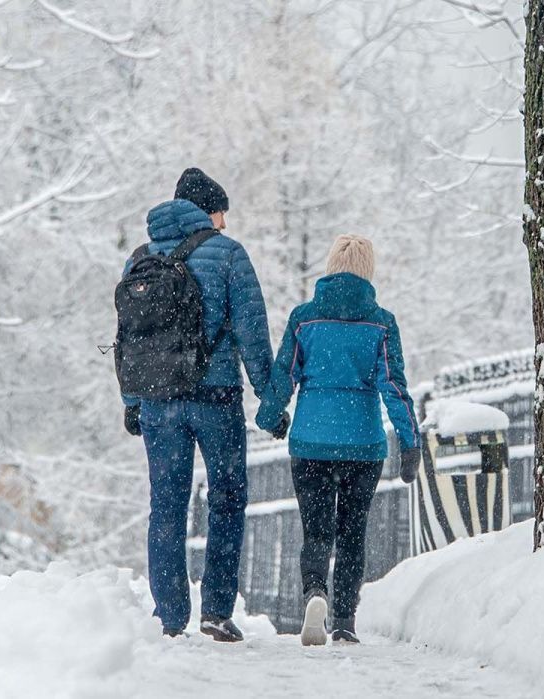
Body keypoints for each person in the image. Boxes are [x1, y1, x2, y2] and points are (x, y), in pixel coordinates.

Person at [121, 168, 278, 642]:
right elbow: (252, 331)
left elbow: (131, 334)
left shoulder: (139, 258)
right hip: (215, 398)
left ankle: (170, 618)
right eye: (220, 212)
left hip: (157, 402)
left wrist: (132, 401)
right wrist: (269, 400)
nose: (225, 223)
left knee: (165, 505)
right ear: (204, 211)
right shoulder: (228, 254)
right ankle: (215, 610)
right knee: (227, 499)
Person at [255, 234, 421, 646]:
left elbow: (283, 376)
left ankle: (315, 591)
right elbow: (393, 387)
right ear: (368, 271)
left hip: (310, 442)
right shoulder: (381, 323)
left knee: (316, 531)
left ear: (330, 267)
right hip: (362, 446)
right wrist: (409, 440)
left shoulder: (304, 318)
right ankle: (345, 620)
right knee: (352, 533)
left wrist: (270, 416)